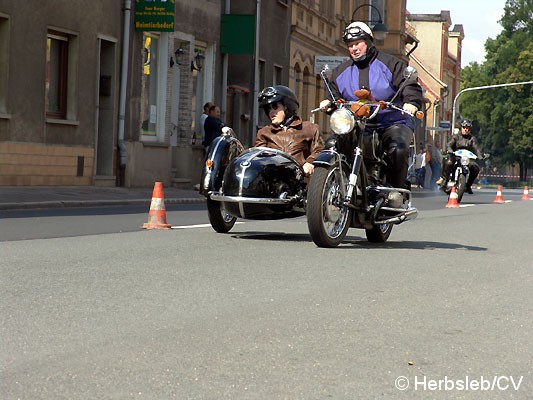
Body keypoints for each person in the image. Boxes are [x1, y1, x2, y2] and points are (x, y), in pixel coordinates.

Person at [319, 21, 423, 189]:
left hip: (390, 121)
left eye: (357, 43)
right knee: (331, 145)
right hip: (356, 124)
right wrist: (329, 103)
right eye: (350, 45)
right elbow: (334, 95)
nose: (354, 48)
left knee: (398, 149)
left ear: (368, 42)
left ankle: (394, 191)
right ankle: (335, 186)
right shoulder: (340, 71)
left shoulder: (391, 64)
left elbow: (409, 84)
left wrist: (411, 102)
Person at [256, 85, 324, 176]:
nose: (271, 112)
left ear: (287, 106)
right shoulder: (264, 133)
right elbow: (258, 156)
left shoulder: (309, 128)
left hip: (300, 180)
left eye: (275, 107)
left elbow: (319, 150)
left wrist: (310, 162)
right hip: (274, 180)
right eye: (268, 109)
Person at [436, 119, 483, 194]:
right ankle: (445, 180)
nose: (466, 129)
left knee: (475, 168)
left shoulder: (472, 139)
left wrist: (480, 156)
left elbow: (476, 148)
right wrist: (450, 150)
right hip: (456, 156)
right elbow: (449, 144)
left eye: (467, 128)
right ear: (461, 128)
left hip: (467, 158)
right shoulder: (456, 137)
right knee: (448, 163)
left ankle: (468, 185)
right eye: (464, 127)